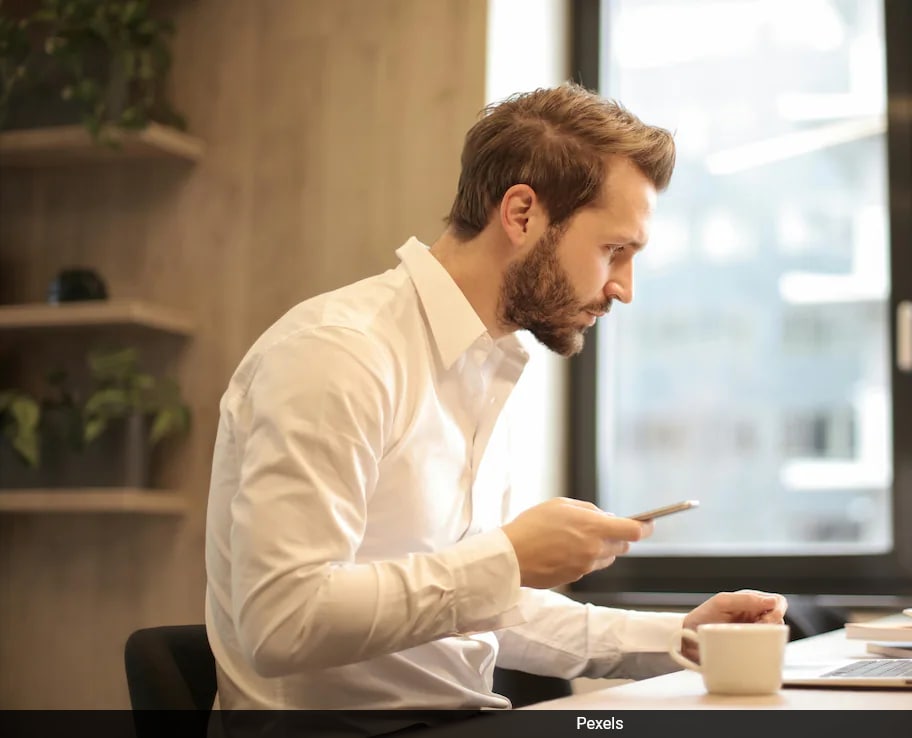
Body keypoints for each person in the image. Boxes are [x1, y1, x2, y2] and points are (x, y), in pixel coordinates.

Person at [204, 83, 787, 734]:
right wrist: (507, 557)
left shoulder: (483, 366)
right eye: (613, 251)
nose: (623, 288)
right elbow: (281, 622)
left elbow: (469, 606)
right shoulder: (337, 354)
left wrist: (678, 638)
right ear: (521, 214)